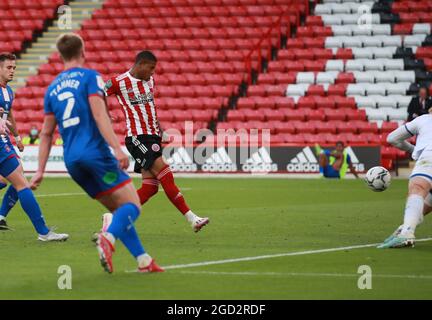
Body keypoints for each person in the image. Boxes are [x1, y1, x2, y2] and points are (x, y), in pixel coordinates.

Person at [29, 33, 163, 273]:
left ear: (60, 56)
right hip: (95, 154)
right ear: (83, 52)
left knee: (117, 209)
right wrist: (117, 148)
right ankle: (108, 238)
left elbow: (47, 133)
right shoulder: (91, 77)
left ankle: (143, 260)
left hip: (72, 161)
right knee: (133, 205)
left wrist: (40, 170)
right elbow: (100, 115)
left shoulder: (52, 88)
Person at [104, 50, 209, 232]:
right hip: (137, 137)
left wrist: (161, 132)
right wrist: (104, 113)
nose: (153, 72)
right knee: (166, 173)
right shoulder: (119, 82)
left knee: (150, 187)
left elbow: (150, 108)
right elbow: (98, 95)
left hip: (152, 137)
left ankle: (114, 218)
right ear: (141, 64)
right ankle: (192, 218)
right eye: (151, 68)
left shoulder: (150, 81)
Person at [0, 52, 69, 240]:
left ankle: (1, 216)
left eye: (14, 68)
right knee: (21, 183)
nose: (12, 71)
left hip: (4, 140)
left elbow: (9, 113)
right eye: (8, 67)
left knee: (15, 177)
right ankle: (43, 232)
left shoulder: (8, 91)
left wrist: (16, 136)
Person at [379, 113, 432, 248]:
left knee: (418, 187)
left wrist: (414, 150)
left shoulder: (424, 119)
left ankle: (407, 233)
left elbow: (392, 138)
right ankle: (405, 227)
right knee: (428, 200)